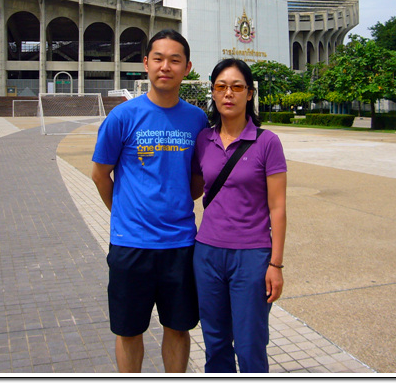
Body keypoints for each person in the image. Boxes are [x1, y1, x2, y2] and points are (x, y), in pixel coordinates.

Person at [91, 29, 209, 373]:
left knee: (178, 326)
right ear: (145, 64)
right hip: (131, 246)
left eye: (175, 60)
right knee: (129, 330)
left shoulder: (197, 120)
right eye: (158, 58)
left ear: (187, 67)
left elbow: (198, 178)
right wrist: (124, 213)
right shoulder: (123, 117)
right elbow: (100, 174)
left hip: (180, 244)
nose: (165, 66)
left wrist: (173, 200)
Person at [191, 58, 287, 373]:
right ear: (213, 94)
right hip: (207, 253)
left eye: (236, 87)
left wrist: (275, 264)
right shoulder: (203, 139)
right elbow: (192, 188)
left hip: (252, 256)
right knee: (215, 342)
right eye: (221, 87)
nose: (228, 94)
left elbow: (278, 206)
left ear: (249, 93)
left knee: (250, 343)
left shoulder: (266, 142)